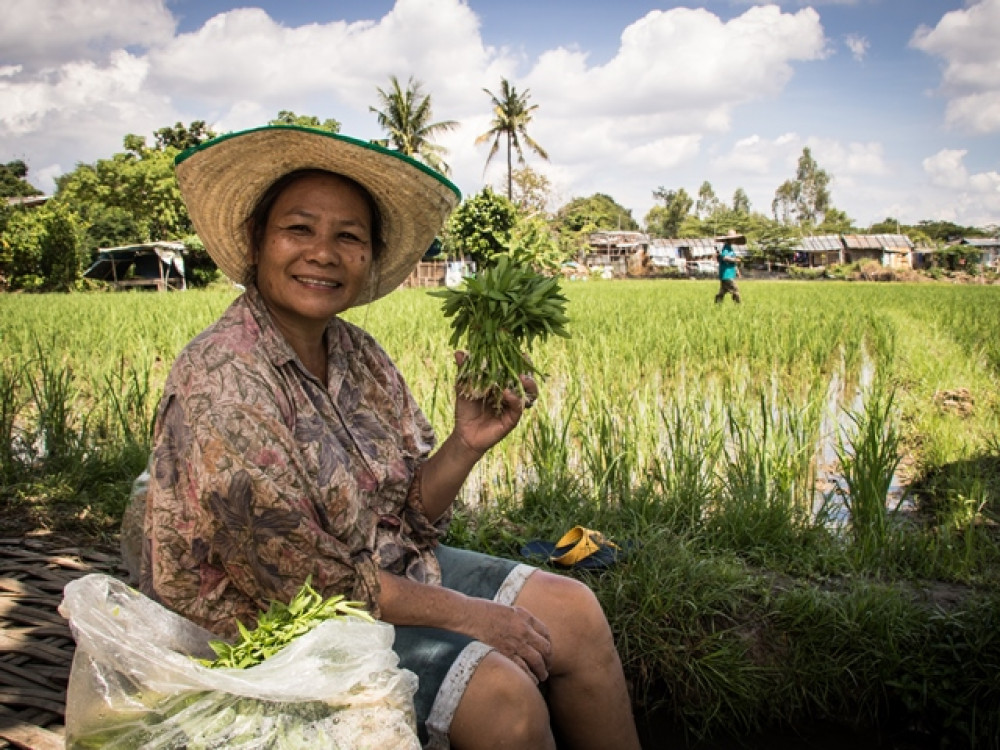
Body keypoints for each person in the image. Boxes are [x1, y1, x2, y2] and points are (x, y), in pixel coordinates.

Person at [136, 125, 640, 750]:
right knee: (505, 701)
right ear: (256, 243)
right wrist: (473, 616)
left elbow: (410, 512)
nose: (323, 252)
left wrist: (466, 443)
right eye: (299, 229)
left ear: (370, 258)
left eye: (348, 236)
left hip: (384, 580)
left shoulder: (359, 355)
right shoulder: (222, 378)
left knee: (577, 614)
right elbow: (306, 586)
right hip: (274, 626)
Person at [714, 229, 745, 304]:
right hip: (726, 274)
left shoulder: (730, 248)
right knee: (735, 290)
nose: (733, 240)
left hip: (729, 273)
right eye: (732, 239)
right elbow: (725, 258)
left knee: (723, 291)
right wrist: (735, 260)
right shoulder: (726, 248)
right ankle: (738, 305)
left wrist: (737, 270)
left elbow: (732, 263)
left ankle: (717, 303)